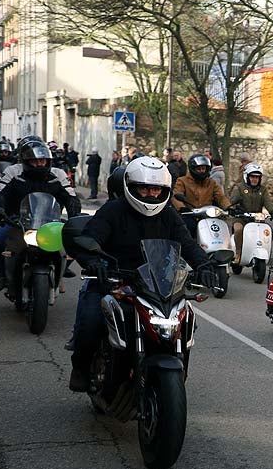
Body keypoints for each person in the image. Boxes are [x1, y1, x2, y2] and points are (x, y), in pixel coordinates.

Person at [67, 157, 216, 391]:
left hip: (156, 285)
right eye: (144, 188)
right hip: (112, 281)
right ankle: (82, 368)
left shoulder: (167, 215)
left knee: (184, 321)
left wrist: (204, 266)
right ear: (131, 186)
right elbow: (90, 238)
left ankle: (175, 372)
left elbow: (187, 245)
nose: (150, 194)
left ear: (164, 190)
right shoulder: (113, 211)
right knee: (91, 321)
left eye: (156, 189)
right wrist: (93, 261)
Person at [0, 138, 81, 291]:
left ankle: (59, 273)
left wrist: (74, 215)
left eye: (43, 160)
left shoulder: (58, 174)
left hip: (50, 223)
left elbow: (70, 197)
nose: (40, 164)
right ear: (25, 161)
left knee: (77, 241)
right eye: (35, 161)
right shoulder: (13, 172)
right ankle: (2, 272)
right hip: (17, 222)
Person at [172, 153, 230, 237]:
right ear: (192, 169)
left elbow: (220, 197)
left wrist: (229, 207)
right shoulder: (182, 181)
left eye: (204, 168)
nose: (202, 171)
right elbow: (176, 195)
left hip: (207, 215)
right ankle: (186, 249)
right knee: (188, 228)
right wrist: (182, 208)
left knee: (219, 229)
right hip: (189, 215)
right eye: (199, 169)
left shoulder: (211, 183)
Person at [228, 162, 273, 264]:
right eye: (252, 177)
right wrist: (234, 208)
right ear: (247, 177)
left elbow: (268, 202)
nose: (255, 179)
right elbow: (232, 201)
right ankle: (238, 253)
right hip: (241, 218)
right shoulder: (239, 187)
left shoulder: (263, 190)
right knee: (238, 230)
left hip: (257, 219)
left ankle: (266, 254)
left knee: (268, 232)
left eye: (257, 177)